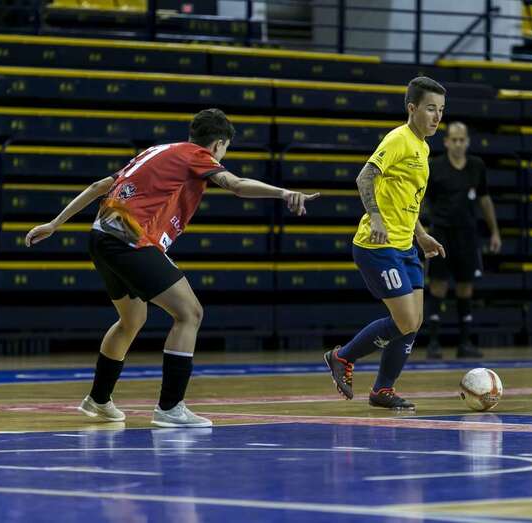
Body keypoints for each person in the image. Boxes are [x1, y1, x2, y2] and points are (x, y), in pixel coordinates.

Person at [25, 108, 318, 427]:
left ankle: (98, 399)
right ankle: (170, 407)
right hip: (128, 238)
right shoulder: (197, 156)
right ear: (219, 144)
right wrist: (284, 193)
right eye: (225, 150)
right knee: (190, 313)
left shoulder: (156, 151)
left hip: (101, 234)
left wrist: (55, 223)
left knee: (131, 320)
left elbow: (99, 186)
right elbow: (236, 185)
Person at [323, 76, 446, 410]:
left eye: (441, 110)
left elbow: (409, 199)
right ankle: (342, 356)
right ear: (412, 108)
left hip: (405, 245)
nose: (437, 117)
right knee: (405, 320)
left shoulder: (423, 146)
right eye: (430, 109)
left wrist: (421, 236)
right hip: (377, 246)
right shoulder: (399, 139)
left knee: (414, 321)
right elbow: (365, 177)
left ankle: (382, 390)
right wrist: (375, 216)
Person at [423, 122, 501, 359]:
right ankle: (433, 343)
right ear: (446, 141)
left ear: (467, 141)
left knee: (466, 286)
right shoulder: (435, 165)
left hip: (468, 234)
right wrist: (421, 230)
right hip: (441, 232)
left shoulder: (476, 166)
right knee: (438, 284)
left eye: (462, 139)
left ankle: (465, 342)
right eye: (453, 139)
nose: (458, 143)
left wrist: (494, 231)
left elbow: (485, 199)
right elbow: (422, 199)